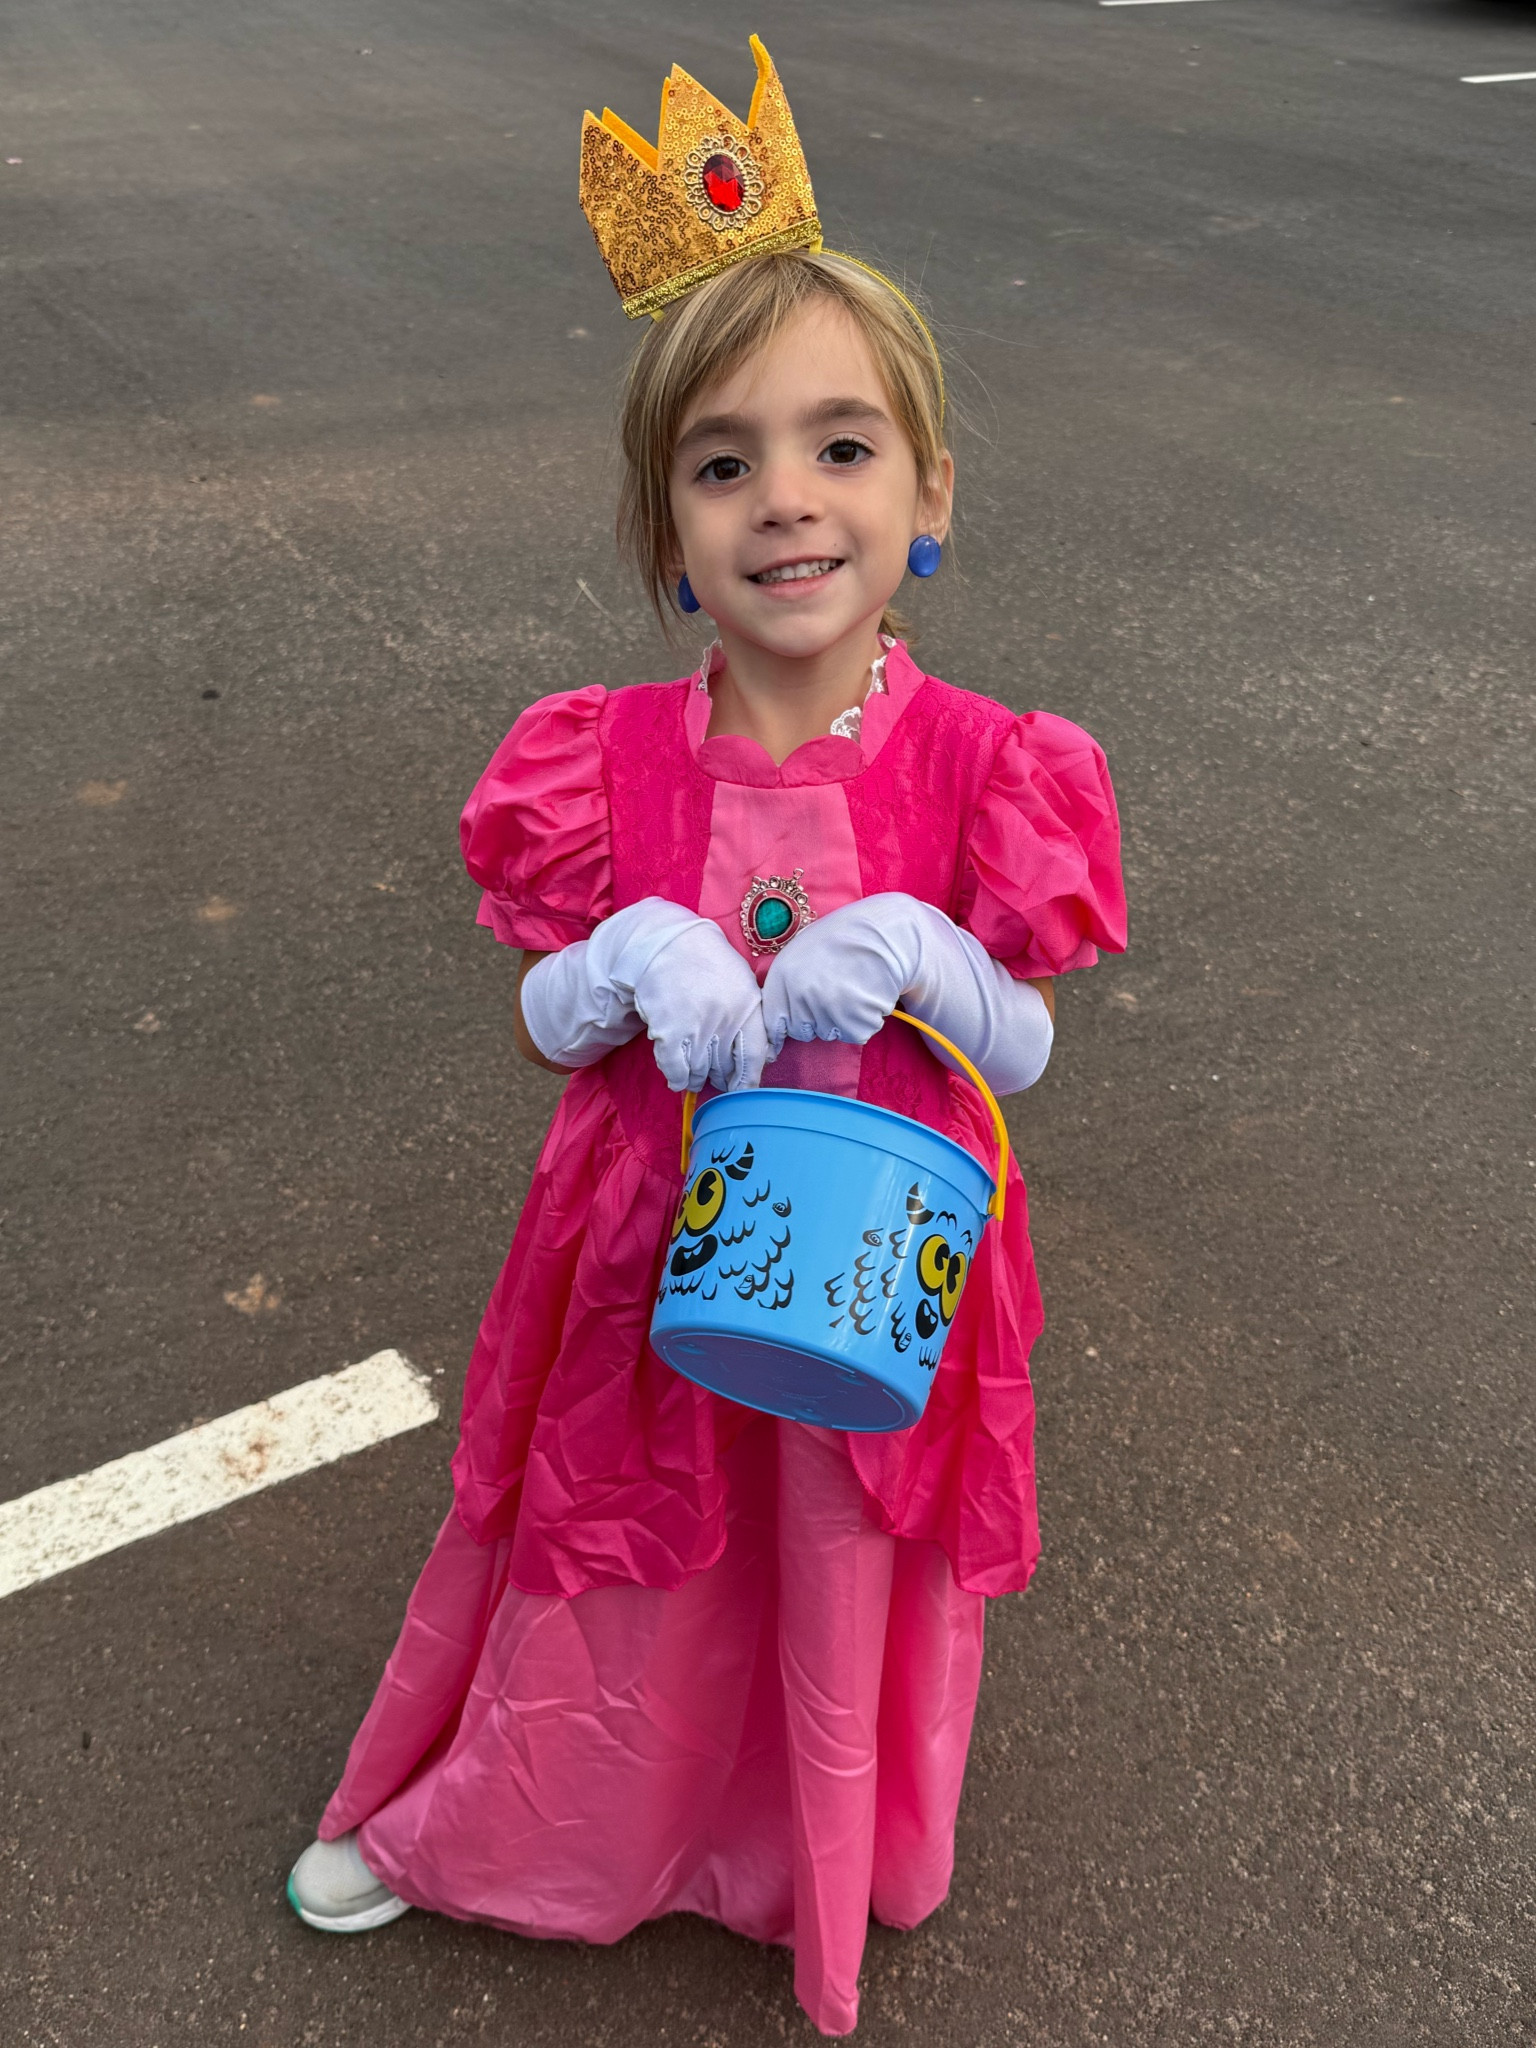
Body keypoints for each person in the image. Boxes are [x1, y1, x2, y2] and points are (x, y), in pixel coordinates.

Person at [286, 40, 1126, 2037]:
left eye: (845, 446)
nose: (787, 503)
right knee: (619, 1539)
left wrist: (924, 953)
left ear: (930, 491)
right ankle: (520, 1820)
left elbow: (1024, 1051)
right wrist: (615, 969)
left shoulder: (990, 766)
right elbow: (535, 1019)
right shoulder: (601, 762)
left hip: (873, 1255)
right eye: (724, 460)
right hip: (637, 1249)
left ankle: (808, 1854)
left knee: (830, 1547)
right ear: (666, 522)